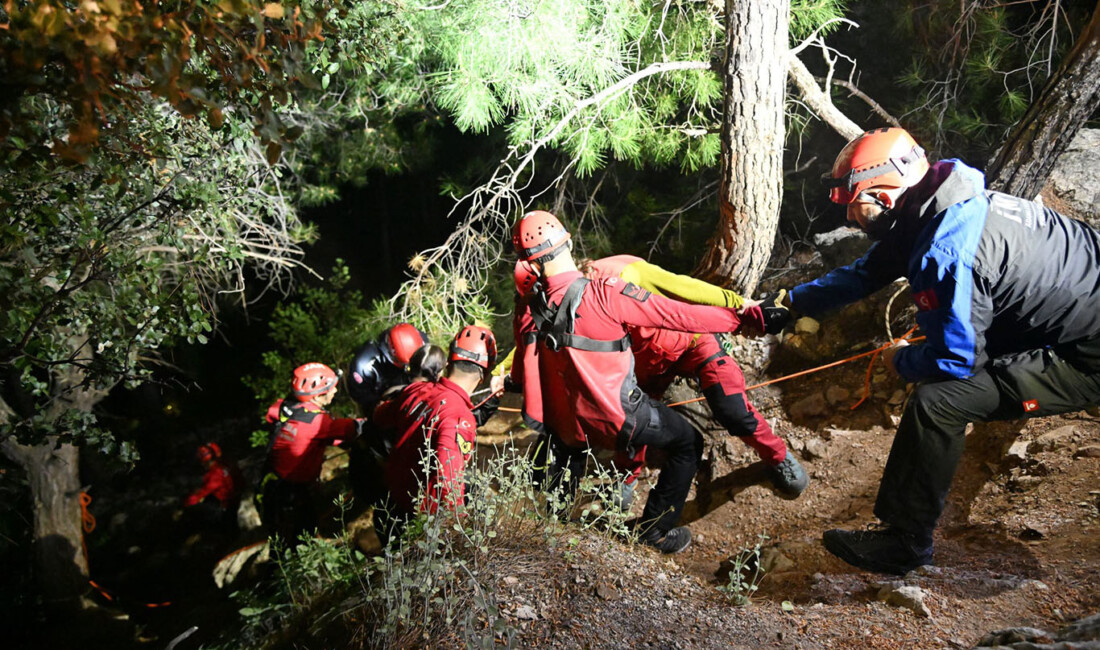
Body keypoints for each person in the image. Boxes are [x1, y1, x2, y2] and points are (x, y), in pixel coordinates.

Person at [774, 127, 1100, 574]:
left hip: (1087, 353)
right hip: (1078, 303)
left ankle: (905, 543)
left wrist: (899, 361)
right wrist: (793, 303)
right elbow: (867, 273)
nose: (850, 219)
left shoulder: (945, 251)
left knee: (938, 402)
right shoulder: (941, 197)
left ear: (886, 194)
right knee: (960, 341)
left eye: (854, 205)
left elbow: (954, 361)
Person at [510, 210, 768, 554]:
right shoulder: (603, 293)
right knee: (687, 443)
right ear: (568, 242)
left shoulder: (527, 311)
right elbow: (677, 314)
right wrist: (742, 316)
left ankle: (554, 529)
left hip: (567, 426)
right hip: (617, 420)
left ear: (528, 264)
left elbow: (519, 372)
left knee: (566, 445)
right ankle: (654, 532)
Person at [374, 326, 496, 541]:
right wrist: (455, 535)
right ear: (483, 376)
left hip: (389, 505)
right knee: (480, 495)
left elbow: (380, 416)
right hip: (418, 522)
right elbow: (448, 482)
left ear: (448, 364)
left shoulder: (415, 390)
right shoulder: (459, 419)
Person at [260, 362, 362, 544]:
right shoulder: (317, 421)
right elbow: (354, 428)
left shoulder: (289, 408)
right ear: (319, 393)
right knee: (297, 540)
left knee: (285, 540)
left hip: (273, 486)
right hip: (290, 494)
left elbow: (324, 436)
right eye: (332, 388)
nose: (335, 391)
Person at [182, 442, 243, 534]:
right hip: (235, 498)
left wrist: (184, 505)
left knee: (194, 510)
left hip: (227, 507)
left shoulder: (214, 474)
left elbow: (199, 495)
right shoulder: (226, 464)